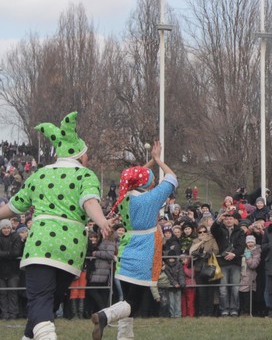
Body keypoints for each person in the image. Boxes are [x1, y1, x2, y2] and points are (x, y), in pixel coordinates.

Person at [0, 112, 112, 340]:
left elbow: (13, 206)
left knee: (40, 301)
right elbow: (89, 202)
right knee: (46, 305)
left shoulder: (39, 175)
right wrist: (101, 221)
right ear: (80, 156)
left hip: (41, 245)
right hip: (71, 251)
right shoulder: (85, 175)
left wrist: (101, 220)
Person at [91, 141, 178, 339]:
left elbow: (128, 178)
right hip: (144, 250)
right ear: (146, 184)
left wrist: (148, 163)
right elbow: (173, 178)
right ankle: (105, 316)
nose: (155, 183)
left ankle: (124, 337)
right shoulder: (151, 198)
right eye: (152, 180)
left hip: (126, 249)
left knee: (126, 298)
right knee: (133, 303)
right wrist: (157, 160)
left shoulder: (124, 198)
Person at [0, 218, 23, 320]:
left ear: (11, 228)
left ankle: (13, 314)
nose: (6, 230)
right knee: (3, 294)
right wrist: (9, 254)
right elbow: (12, 253)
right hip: (1, 271)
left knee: (13, 293)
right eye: (4, 228)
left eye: (8, 227)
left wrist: (5, 255)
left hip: (13, 271)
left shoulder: (16, 236)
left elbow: (16, 252)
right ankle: (4, 314)